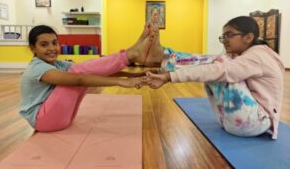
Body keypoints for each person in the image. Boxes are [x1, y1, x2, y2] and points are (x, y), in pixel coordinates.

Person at [144, 16, 285, 139]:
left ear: (248, 37)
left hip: (255, 123)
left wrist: (169, 77)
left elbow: (219, 69)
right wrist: (161, 72)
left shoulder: (257, 56)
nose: (224, 40)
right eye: (223, 37)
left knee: (218, 64)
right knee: (217, 63)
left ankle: (164, 56)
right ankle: (164, 58)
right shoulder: (249, 55)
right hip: (239, 122)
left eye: (229, 35)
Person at [20, 24, 157, 132]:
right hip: (43, 121)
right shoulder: (37, 68)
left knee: (82, 68)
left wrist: (135, 75)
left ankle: (131, 53)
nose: (52, 48)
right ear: (33, 48)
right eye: (44, 45)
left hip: (62, 118)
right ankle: (130, 55)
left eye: (54, 43)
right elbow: (79, 79)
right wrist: (121, 82)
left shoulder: (59, 64)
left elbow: (95, 70)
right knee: (76, 72)